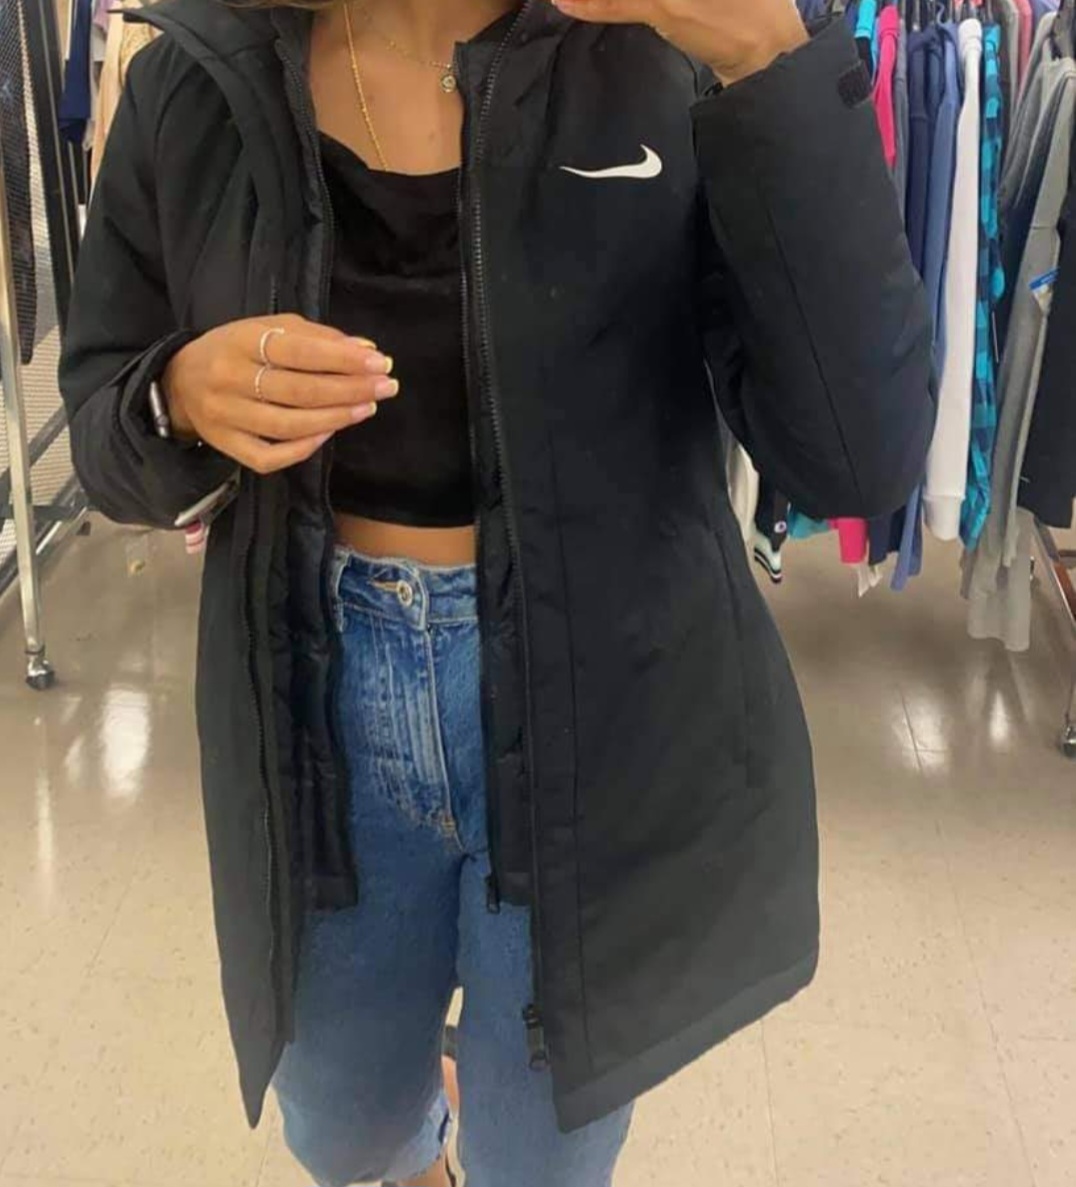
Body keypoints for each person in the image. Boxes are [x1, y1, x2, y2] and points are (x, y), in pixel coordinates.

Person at [59, 0, 935, 1181]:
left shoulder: (666, 60)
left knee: (542, 1156)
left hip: (590, 701)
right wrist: (173, 398)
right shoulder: (199, 75)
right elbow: (104, 419)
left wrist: (767, 56)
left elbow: (856, 458)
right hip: (311, 703)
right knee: (343, 1124)